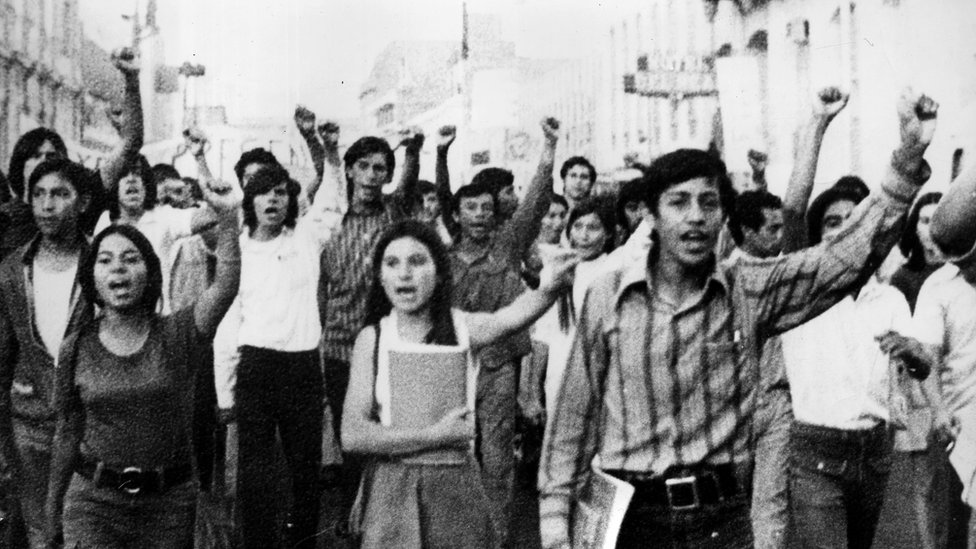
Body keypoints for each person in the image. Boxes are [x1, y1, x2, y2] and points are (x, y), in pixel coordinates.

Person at [539, 89, 937, 549]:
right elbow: (573, 417)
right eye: (678, 202)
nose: (695, 218)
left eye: (709, 203)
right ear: (650, 214)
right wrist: (554, 526)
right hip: (634, 520)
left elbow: (843, 261)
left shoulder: (748, 288)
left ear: (724, 215)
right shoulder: (609, 296)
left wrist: (907, 157)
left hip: (722, 520)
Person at [341, 219, 579, 549]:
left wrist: (552, 284)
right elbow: (353, 434)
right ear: (381, 278)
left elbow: (511, 316)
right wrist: (436, 435)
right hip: (392, 490)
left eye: (417, 261)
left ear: (439, 274)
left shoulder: (463, 327)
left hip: (455, 487)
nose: (405, 273)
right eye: (392, 263)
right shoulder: (373, 338)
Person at [42, 177, 240, 549]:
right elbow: (67, 433)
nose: (118, 269)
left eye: (131, 259)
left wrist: (228, 217)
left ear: (150, 273)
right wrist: (51, 513)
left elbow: (225, 286)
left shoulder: (179, 332)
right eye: (105, 261)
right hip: (93, 505)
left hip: (169, 506)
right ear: (92, 279)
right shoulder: (75, 347)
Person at [449, 118, 559, 545]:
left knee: (497, 459)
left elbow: (534, 202)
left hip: (498, 366)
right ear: (456, 215)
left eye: (485, 208)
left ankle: (494, 540)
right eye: (469, 208)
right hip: (455, 365)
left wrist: (548, 150)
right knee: (456, 454)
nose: (478, 216)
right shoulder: (441, 257)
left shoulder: (508, 244)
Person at [230, 163, 341, 549]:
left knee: (304, 468)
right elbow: (231, 319)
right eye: (264, 191)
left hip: (301, 366)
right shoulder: (239, 245)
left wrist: (328, 153)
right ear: (250, 199)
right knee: (256, 470)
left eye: (281, 191)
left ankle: (303, 543)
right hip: (255, 365)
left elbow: (332, 202)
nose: (273, 198)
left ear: (291, 199)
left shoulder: (305, 238)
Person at [0, 159, 95, 549]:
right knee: (40, 529)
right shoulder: (11, 269)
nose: (47, 205)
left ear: (83, 201)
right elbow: (3, 355)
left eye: (59, 193)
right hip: (31, 419)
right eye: (38, 195)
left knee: (81, 527)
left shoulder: (100, 262)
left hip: (89, 418)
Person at [93, 154, 220, 314]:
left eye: (138, 174)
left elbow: (212, 215)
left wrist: (200, 157)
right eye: (123, 174)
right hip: (113, 324)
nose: (131, 179)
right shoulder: (104, 220)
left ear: (146, 183)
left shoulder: (163, 216)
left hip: (156, 325)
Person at [891, 192, 946, 310]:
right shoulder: (902, 278)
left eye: (938, 221)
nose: (932, 229)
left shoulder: (959, 273)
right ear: (915, 227)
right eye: (925, 221)